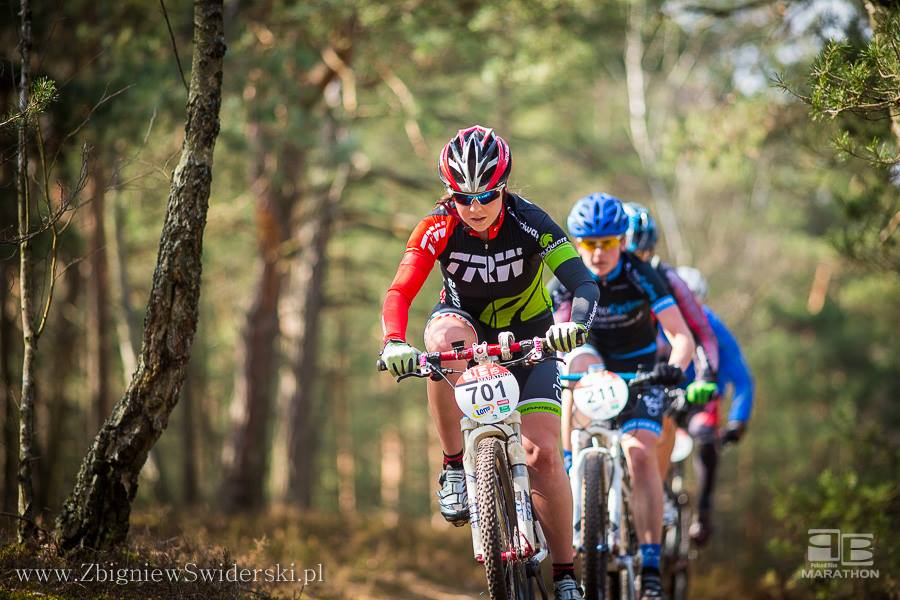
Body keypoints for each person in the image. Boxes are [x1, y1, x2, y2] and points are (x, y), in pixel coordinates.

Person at [379, 125, 600, 600]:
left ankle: (564, 574)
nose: (474, 207)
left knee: (542, 454)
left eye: (486, 195)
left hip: (532, 335)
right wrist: (393, 341)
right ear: (449, 194)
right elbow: (400, 290)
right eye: (462, 197)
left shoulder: (532, 220)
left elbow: (583, 282)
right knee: (439, 342)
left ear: (503, 189)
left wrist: (573, 326)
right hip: (464, 326)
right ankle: (456, 465)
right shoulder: (437, 225)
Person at [549, 193, 695, 600]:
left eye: (607, 243)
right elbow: (559, 337)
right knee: (574, 365)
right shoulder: (565, 278)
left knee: (641, 453)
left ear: (622, 242)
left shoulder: (642, 274)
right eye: (589, 244)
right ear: (577, 244)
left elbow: (681, 336)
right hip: (594, 370)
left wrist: (673, 371)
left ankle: (649, 564)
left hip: (639, 374)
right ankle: (567, 465)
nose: (598, 253)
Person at [621, 202, 721, 521]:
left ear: (652, 252)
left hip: (656, 366)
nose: (636, 265)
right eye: (628, 254)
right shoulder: (598, 273)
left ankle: (657, 492)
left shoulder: (666, 278)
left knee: (662, 417)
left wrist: (707, 376)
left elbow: (701, 332)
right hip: (614, 364)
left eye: (643, 256)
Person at [674, 266, 755, 546]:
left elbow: (743, 380)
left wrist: (737, 422)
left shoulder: (713, 327)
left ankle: (703, 514)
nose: (686, 306)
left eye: (692, 298)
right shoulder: (656, 319)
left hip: (701, 404)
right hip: (663, 399)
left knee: (707, 441)